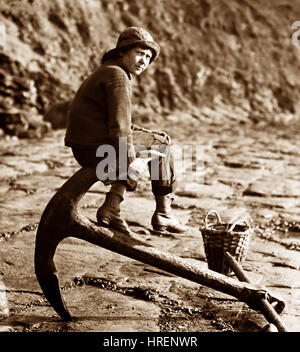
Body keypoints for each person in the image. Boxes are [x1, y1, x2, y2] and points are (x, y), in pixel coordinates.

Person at [65, 27, 186, 235]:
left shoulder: (110, 71)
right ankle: (163, 213)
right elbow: (119, 128)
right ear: (122, 52)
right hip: (95, 148)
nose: (144, 61)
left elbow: (119, 122)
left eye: (148, 57)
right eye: (139, 53)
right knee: (160, 146)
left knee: (156, 140)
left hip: (86, 145)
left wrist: (148, 134)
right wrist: (130, 163)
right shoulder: (118, 76)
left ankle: (112, 207)